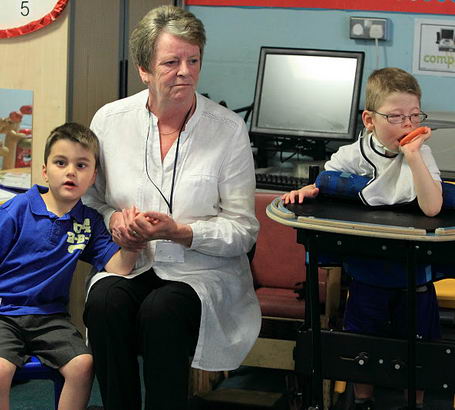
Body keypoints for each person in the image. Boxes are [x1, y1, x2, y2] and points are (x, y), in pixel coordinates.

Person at [82, 5, 260, 410]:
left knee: (164, 310)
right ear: (144, 69)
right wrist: (115, 221)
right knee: (105, 302)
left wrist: (181, 232)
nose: (185, 71)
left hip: (200, 271)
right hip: (132, 260)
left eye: (193, 60)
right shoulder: (109, 120)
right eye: (171, 62)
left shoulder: (228, 129)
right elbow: (91, 201)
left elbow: (243, 229)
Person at [283, 67, 443, 410]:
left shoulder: (420, 152)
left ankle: (413, 403)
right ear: (369, 120)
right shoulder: (353, 155)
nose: (409, 125)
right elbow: (326, 181)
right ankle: (363, 403)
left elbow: (431, 208)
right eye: (397, 116)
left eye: (415, 115)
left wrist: (413, 157)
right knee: (362, 348)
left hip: (412, 279)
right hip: (368, 277)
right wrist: (309, 190)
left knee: (419, 354)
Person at [0, 122, 138, 410]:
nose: (70, 171)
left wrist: (133, 243)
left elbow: (119, 267)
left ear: (93, 177)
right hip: (4, 315)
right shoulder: (17, 210)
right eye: (61, 162)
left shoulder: (89, 221)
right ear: (45, 170)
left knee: (83, 365)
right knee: (0, 371)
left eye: (81, 164)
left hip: (51, 319)